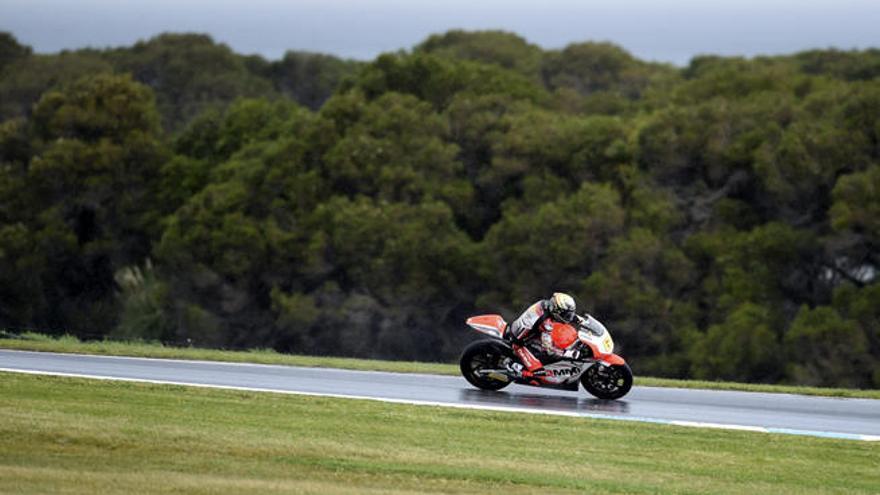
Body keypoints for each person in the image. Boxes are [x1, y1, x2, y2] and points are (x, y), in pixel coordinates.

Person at [505, 292, 583, 377]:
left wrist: (581, 320)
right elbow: (549, 349)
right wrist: (568, 354)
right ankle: (513, 366)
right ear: (556, 310)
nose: (568, 317)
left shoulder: (545, 303)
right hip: (519, 343)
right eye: (566, 314)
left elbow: (562, 314)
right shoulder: (546, 323)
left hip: (526, 332)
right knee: (539, 373)